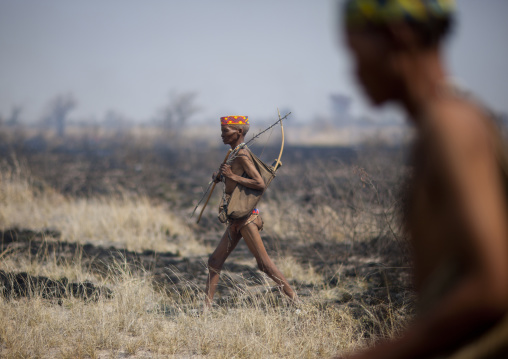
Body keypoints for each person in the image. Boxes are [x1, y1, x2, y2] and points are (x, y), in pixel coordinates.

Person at [336, 0, 508, 358]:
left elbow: (494, 287)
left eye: (356, 52)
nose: (353, 71)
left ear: (396, 36)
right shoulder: (438, 125)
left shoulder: (451, 126)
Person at [204, 115, 297, 308]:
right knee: (214, 261)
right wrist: (222, 177)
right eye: (221, 131)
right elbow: (235, 176)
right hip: (237, 218)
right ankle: (205, 310)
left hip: (246, 219)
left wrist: (231, 176)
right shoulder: (235, 153)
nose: (222, 135)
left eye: (225, 131)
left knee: (264, 265)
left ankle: (296, 302)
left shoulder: (242, 154)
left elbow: (259, 183)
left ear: (238, 132)